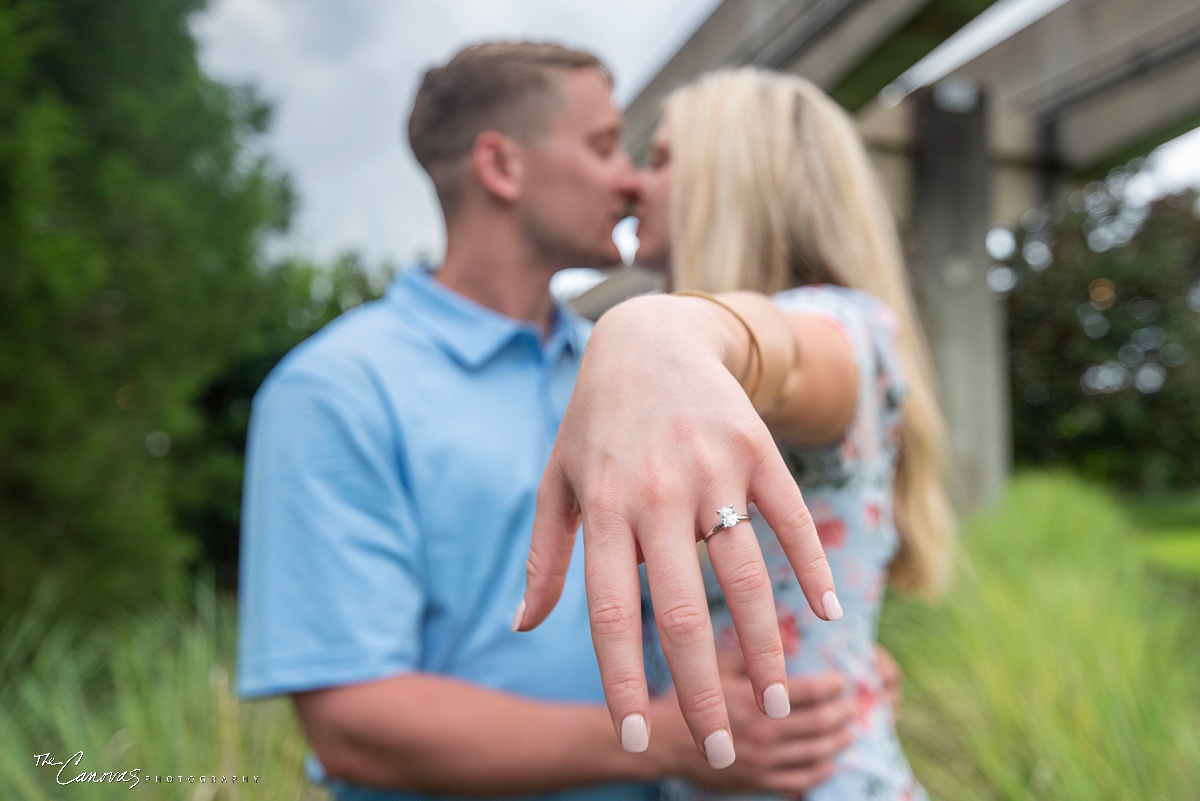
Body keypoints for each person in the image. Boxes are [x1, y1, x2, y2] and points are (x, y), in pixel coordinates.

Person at [237, 43, 864, 801]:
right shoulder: (337, 391)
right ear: (502, 167)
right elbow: (353, 720)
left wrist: (829, 667)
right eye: (604, 146)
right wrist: (664, 738)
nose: (631, 179)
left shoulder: (636, 378)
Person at [517, 68, 955, 798]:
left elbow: (782, 356)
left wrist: (659, 325)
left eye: (659, 160)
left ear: (730, 179)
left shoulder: (845, 330)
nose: (632, 185)